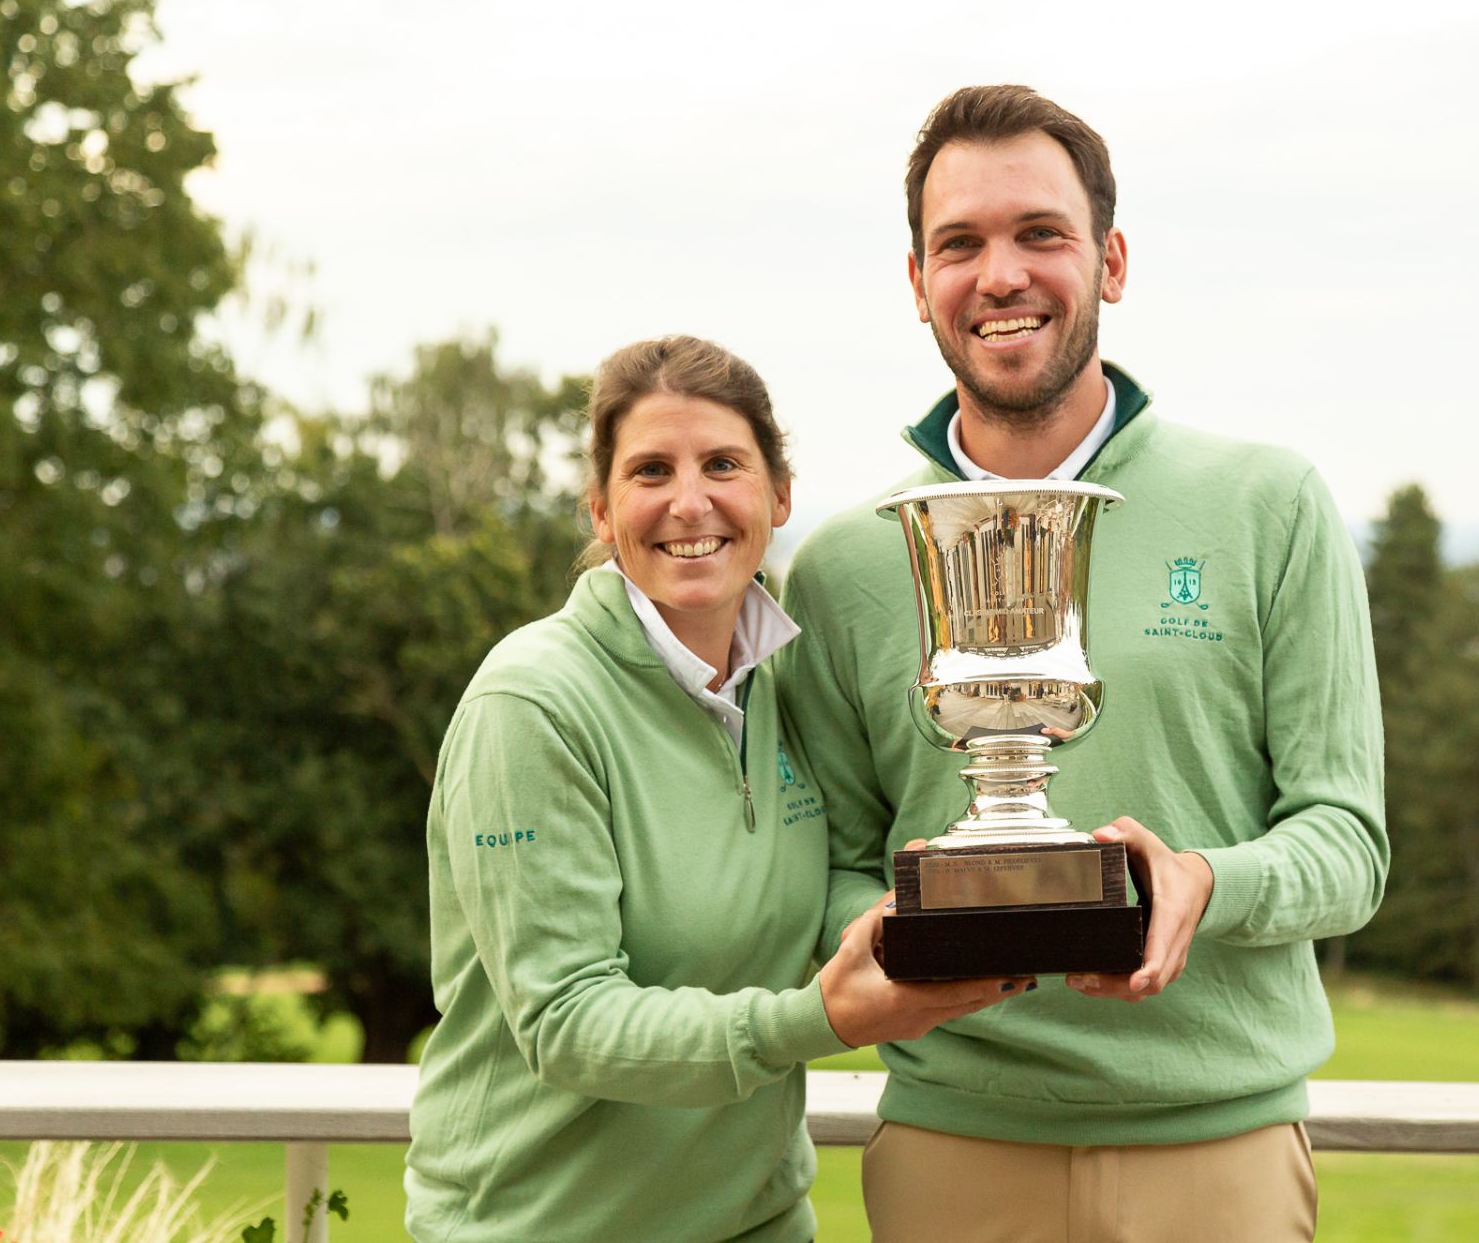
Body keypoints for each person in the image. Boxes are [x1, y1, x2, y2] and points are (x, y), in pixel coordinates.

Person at [778, 87, 1389, 1242]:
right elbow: (836, 867)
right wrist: (895, 932)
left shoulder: (1269, 505)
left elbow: (1348, 845)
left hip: (1222, 1154)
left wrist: (1203, 883)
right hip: (955, 1147)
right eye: (959, 243)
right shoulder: (846, 566)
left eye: (1039, 234)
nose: (1000, 274)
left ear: (1109, 260)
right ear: (918, 284)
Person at [404, 335, 1033, 1243]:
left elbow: (824, 894)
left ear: (778, 495)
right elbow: (567, 1021)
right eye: (650, 470)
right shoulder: (532, 703)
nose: (688, 502)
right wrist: (815, 1018)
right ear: (603, 507)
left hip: (758, 1225)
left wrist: (940, 919)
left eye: (723, 464)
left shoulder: (788, 684)